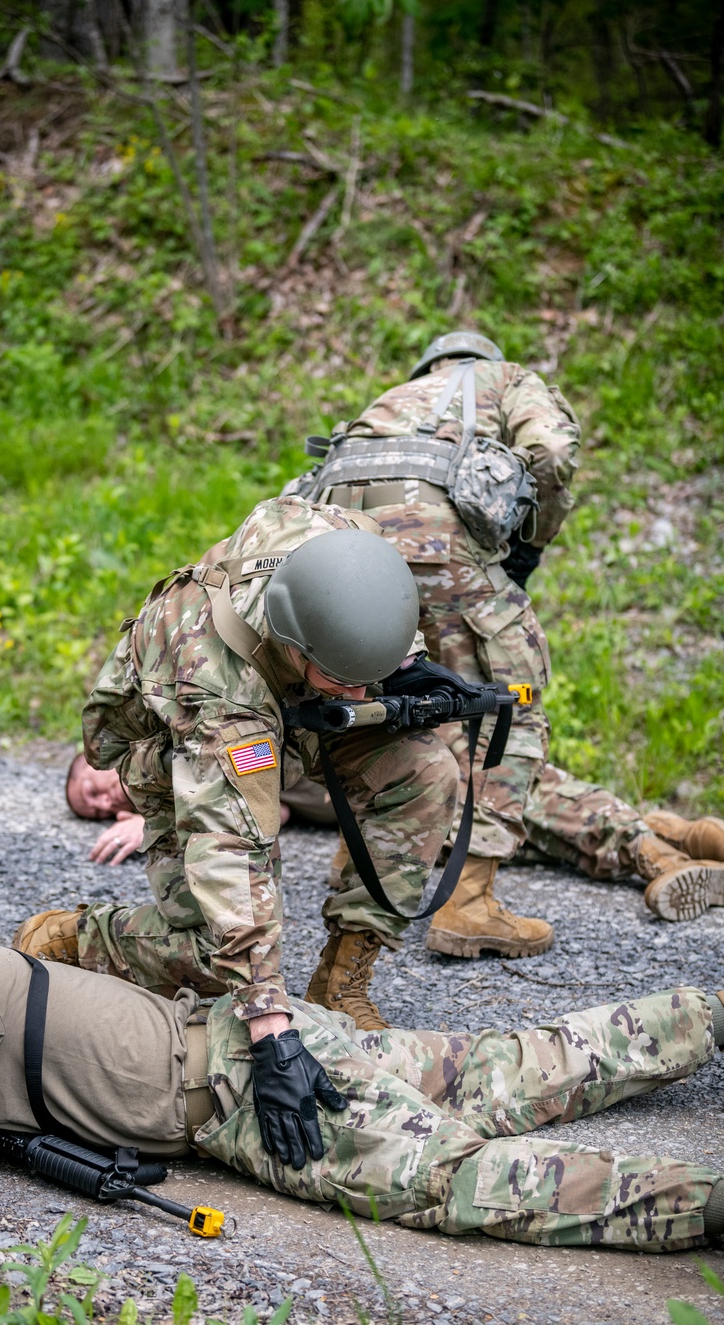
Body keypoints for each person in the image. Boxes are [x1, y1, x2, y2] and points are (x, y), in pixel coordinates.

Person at [0, 940, 724, 1254]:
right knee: (525, 1062)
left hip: (243, 1093)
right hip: (272, 1041)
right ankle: (709, 1011)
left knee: (473, 1184)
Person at [281, 330, 721, 955]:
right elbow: (551, 450)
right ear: (480, 362)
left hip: (345, 550)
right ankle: (469, 903)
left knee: (383, 703)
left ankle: (365, 860)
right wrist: (527, 546)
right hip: (443, 548)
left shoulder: (387, 401)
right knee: (507, 710)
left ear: (427, 366)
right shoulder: (506, 379)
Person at [17, 496, 461, 1034]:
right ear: (298, 645)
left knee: (424, 771)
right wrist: (266, 1012)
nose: (363, 691)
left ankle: (341, 985)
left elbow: (378, 621)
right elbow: (231, 852)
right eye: (348, 676)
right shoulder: (219, 683)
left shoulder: (351, 558)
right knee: (216, 957)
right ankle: (79, 936)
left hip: (299, 708)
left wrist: (406, 670)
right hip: (175, 749)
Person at [61, 752, 724, 922]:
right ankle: (677, 833)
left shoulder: (181, 757)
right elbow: (277, 814)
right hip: (403, 796)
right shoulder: (175, 781)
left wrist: (158, 818)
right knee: (521, 830)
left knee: (523, 800)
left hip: (417, 764)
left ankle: (658, 854)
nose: (99, 801)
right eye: (91, 810)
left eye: (92, 784)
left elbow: (252, 807)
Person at [64, 750, 336, 867]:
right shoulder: (161, 790)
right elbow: (273, 811)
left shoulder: (163, 752)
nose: (105, 803)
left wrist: (156, 822)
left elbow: (248, 757)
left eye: (93, 791)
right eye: (99, 813)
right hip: (348, 811)